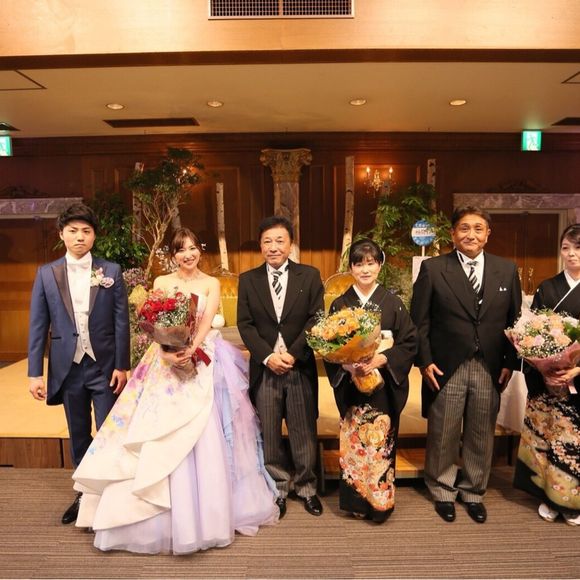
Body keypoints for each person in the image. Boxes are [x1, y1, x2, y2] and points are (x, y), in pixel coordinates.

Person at [72, 228, 278, 554]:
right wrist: (167, 352)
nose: (188, 255)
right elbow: (154, 326)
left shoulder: (211, 283)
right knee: (155, 431)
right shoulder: (162, 282)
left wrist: (190, 350)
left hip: (201, 359)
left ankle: (205, 513)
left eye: (193, 248)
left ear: (200, 251)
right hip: (163, 362)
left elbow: (206, 323)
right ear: (173, 255)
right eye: (181, 250)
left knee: (203, 432)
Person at [410, 206, 521, 524]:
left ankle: (474, 491)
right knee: (443, 431)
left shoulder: (506, 269)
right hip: (446, 365)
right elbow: (419, 321)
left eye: (478, 228)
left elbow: (515, 322)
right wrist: (425, 362)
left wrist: (510, 362)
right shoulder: (433, 269)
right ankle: (442, 490)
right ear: (453, 233)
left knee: (481, 431)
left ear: (488, 234)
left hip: (490, 363)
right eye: (464, 228)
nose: (471, 234)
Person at [27, 202, 130, 525]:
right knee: (78, 433)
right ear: (62, 234)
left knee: (109, 430)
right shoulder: (46, 273)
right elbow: (38, 325)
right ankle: (85, 494)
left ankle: (112, 494)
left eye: (86, 231)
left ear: (94, 235)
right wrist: (34, 373)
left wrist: (122, 365)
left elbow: (121, 321)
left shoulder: (110, 271)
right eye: (72, 231)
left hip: (104, 366)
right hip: (67, 368)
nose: (79, 237)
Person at [237, 215, 325, 518]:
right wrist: (267, 357)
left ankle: (307, 488)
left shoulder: (309, 276)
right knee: (270, 432)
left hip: (298, 367)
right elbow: (245, 325)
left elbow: (316, 318)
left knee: (303, 431)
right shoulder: (248, 280)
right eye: (267, 241)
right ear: (260, 246)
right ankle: (278, 488)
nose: (273, 247)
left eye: (279, 241)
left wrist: (293, 354)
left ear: (291, 244)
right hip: (266, 369)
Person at [324, 239, 417, 522]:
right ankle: (356, 501)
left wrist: (382, 359)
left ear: (380, 265)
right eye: (359, 264)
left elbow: (409, 342)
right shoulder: (340, 304)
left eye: (371, 263)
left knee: (381, 446)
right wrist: (348, 364)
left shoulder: (393, 303)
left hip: (383, 388)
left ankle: (379, 504)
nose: (365, 269)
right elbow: (328, 347)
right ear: (350, 267)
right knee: (354, 445)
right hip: (352, 386)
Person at [513, 223, 580, 526]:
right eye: (566, 248)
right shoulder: (548, 287)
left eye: (578, 248)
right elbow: (533, 332)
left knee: (571, 443)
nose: (571, 254)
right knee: (546, 436)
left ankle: (571, 502)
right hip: (546, 379)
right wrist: (544, 365)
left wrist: (575, 369)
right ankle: (548, 497)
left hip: (576, 381)